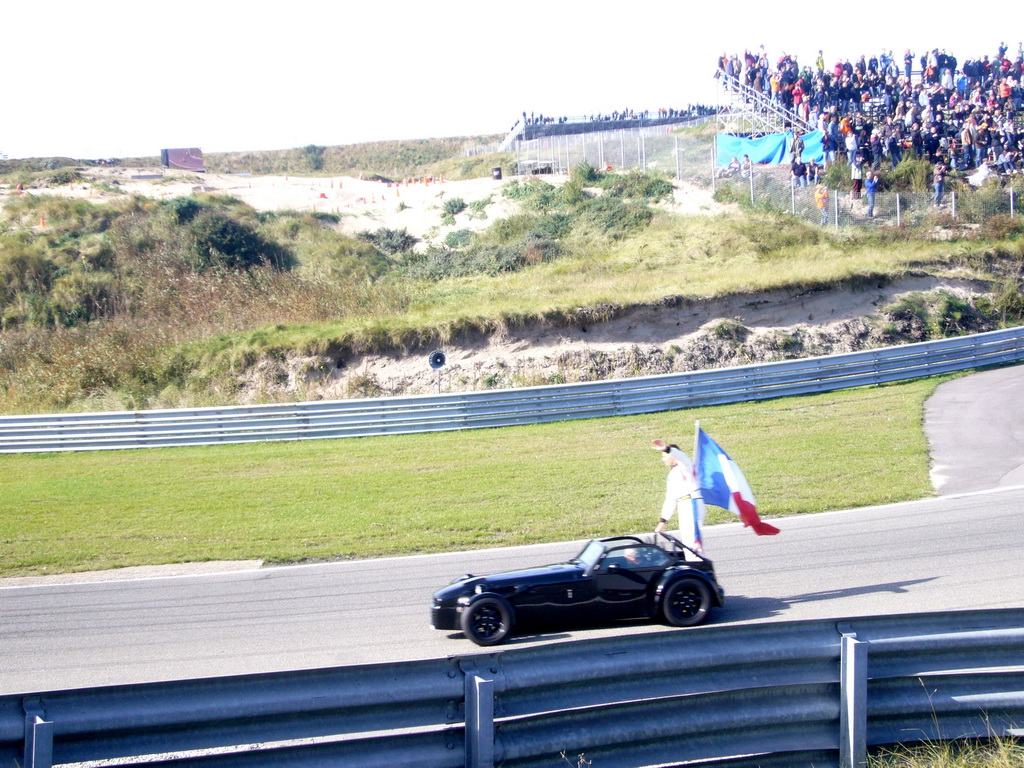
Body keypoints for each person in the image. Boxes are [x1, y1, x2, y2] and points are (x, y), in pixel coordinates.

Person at [652, 439, 705, 554]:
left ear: (672, 455)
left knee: (693, 541)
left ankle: (698, 567)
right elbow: (670, 499)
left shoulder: (686, 467)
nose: (663, 459)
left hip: (692, 503)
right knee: (687, 542)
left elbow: (682, 457)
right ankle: (692, 565)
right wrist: (663, 520)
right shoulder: (672, 474)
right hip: (683, 505)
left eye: (664, 456)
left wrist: (667, 449)